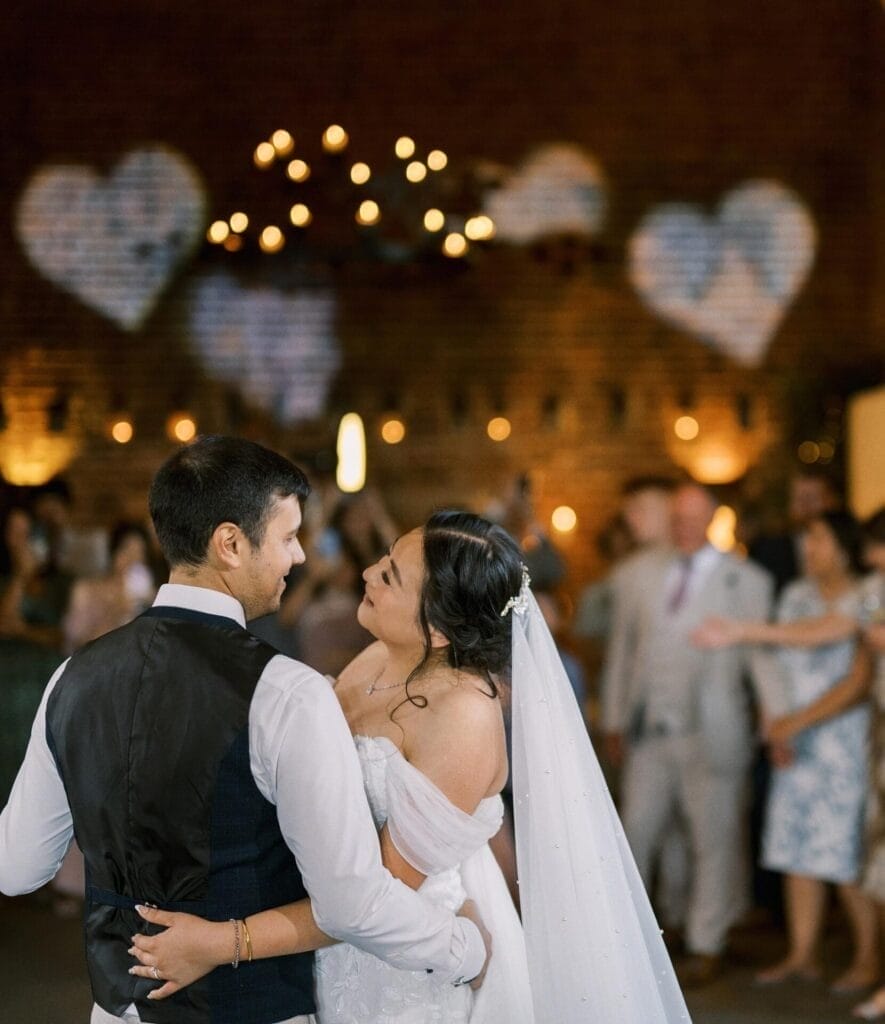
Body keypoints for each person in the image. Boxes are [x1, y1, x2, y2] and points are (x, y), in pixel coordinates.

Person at [124, 509, 692, 1022]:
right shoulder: (382, 654)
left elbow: (370, 898)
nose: (369, 572)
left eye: (391, 574)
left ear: (439, 630)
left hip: (393, 969)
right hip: (318, 935)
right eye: (385, 556)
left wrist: (223, 943)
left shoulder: (464, 718)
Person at [0, 436, 490, 1024]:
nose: (300, 557)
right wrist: (463, 948)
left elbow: (17, 866)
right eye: (287, 537)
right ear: (230, 543)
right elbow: (349, 901)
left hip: (116, 1011)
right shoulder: (285, 692)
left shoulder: (69, 679)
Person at [602, 480, 776, 986]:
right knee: (637, 829)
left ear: (711, 519)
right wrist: (613, 717)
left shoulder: (748, 581)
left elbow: (761, 657)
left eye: (693, 518)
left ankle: (707, 942)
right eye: (676, 517)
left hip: (715, 731)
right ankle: (636, 934)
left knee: (711, 839)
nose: (683, 526)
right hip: (649, 731)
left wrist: (775, 717)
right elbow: (622, 651)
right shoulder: (635, 573)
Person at [751, 513, 876, 991]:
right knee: (795, 846)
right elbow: (773, 663)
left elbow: (858, 683)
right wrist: (774, 725)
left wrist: (795, 723)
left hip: (844, 741)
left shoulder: (865, 596)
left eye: (818, 539)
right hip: (793, 737)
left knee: (846, 852)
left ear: (843, 547)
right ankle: (802, 954)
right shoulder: (794, 595)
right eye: (805, 540)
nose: (808, 548)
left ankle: (867, 957)